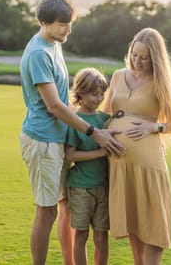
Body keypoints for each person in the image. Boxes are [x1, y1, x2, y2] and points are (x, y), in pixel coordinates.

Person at [19, 0, 124, 265]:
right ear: (44, 22)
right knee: (47, 211)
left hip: (57, 138)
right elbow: (54, 105)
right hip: (42, 141)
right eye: (62, 24)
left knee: (62, 208)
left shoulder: (55, 43)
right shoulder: (39, 54)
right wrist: (93, 132)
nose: (68, 29)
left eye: (70, 23)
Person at [103, 27, 171, 265]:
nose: (137, 62)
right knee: (133, 225)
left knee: (153, 223)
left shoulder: (160, 83)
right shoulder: (119, 75)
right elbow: (105, 113)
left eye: (144, 58)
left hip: (148, 165)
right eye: (134, 55)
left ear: (155, 59)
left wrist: (153, 127)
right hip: (119, 164)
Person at [64, 68, 111, 265]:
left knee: (101, 237)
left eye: (102, 93)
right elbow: (70, 155)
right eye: (94, 94)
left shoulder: (105, 120)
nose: (99, 98)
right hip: (80, 187)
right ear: (80, 93)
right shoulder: (75, 122)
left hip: (103, 187)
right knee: (81, 236)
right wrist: (100, 152)